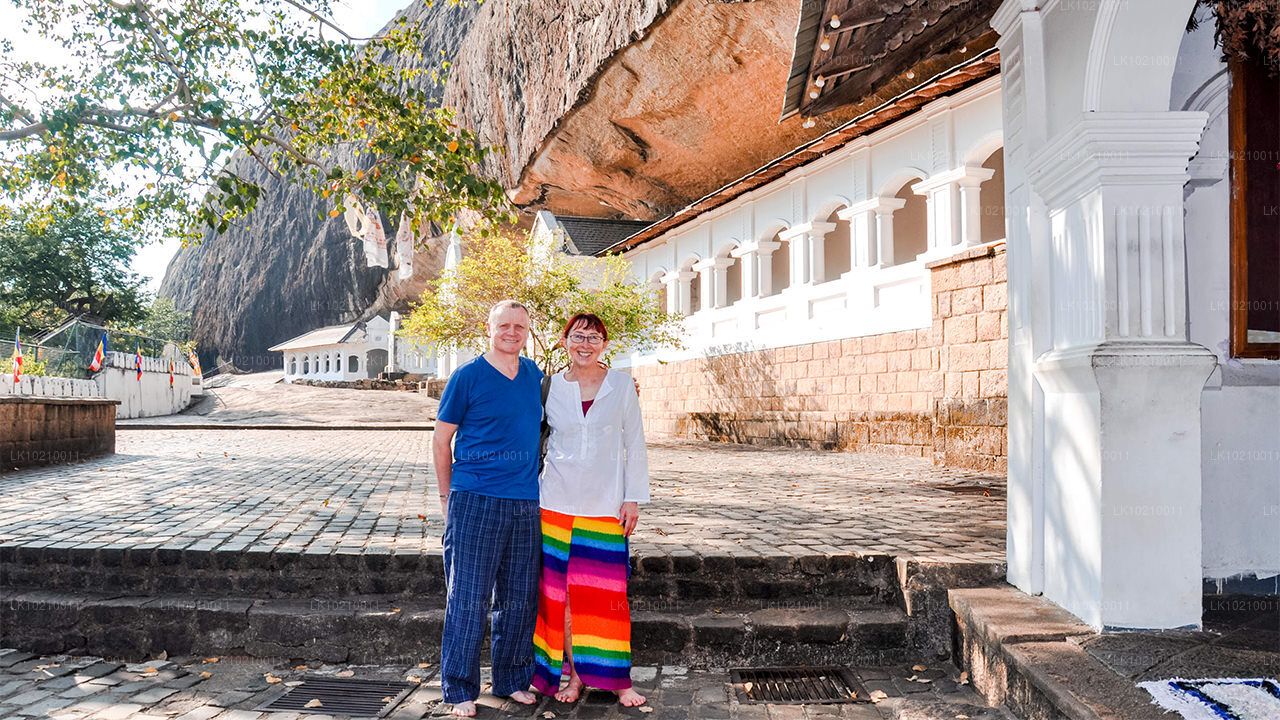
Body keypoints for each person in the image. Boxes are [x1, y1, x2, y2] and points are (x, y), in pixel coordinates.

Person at [532, 313, 649, 707]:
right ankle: (575, 678)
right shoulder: (548, 387)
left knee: (606, 596)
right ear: (565, 340)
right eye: (578, 336)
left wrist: (632, 497)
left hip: (605, 505)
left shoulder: (620, 384)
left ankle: (618, 680)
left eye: (594, 337)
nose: (586, 343)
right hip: (555, 503)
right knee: (559, 598)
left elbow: (635, 442)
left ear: (604, 343)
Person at [433, 300, 543, 717]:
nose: (512, 332)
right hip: (475, 499)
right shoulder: (467, 377)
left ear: (527, 331)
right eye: (504, 325)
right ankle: (459, 688)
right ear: (489, 328)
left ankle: (512, 679)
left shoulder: (535, 376)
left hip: (526, 503)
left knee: (518, 598)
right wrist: (447, 499)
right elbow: (441, 441)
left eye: (519, 326)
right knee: (468, 597)